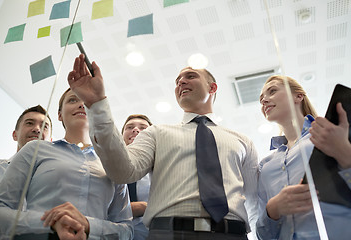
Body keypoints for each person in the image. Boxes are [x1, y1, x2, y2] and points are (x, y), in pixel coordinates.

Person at [64, 54, 259, 240]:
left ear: (212, 87)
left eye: (190, 76)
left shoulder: (242, 141)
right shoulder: (156, 133)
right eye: (177, 81)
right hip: (168, 233)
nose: (180, 82)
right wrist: (96, 104)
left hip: (232, 233)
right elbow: (123, 172)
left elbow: (254, 199)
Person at [0, 88, 133, 240]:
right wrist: (50, 223)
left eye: (87, 102)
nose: (81, 105)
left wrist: (88, 225)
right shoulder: (35, 149)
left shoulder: (112, 162)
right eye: (73, 100)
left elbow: (127, 230)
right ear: (59, 115)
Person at [257, 75, 351, 239]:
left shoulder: (331, 135)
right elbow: (262, 234)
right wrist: (272, 209)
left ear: (298, 96)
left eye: (272, 91)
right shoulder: (265, 166)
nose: (264, 101)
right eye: (261, 99)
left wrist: (344, 152)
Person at [0, 105, 52, 195]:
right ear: (15, 135)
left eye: (44, 126)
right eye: (30, 123)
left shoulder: (54, 183)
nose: (37, 129)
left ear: (51, 142)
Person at [121, 114, 152, 240]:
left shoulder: (161, 169)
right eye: (129, 127)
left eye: (143, 128)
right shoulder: (105, 166)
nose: (135, 130)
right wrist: (138, 207)